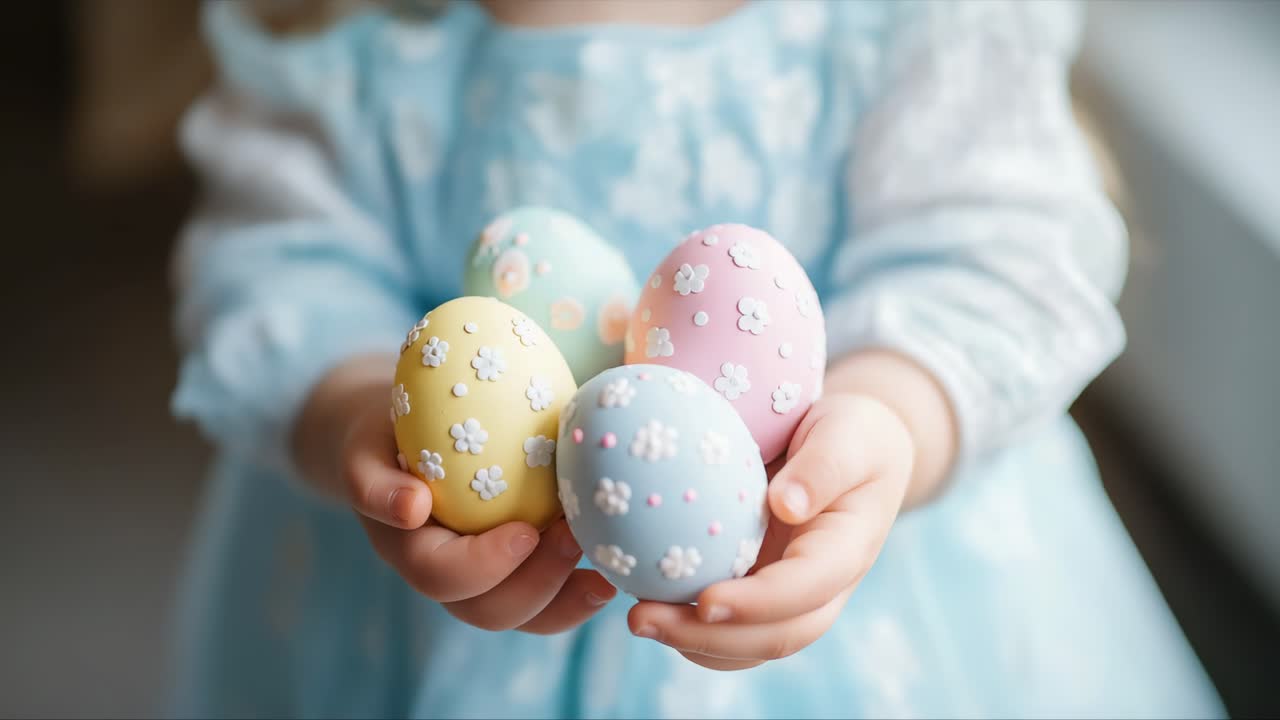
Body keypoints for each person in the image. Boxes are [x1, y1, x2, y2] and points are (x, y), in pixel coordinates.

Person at [169, 1, 1224, 716]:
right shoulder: (356, 30)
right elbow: (281, 262)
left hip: (861, 566)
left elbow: (993, 246)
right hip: (429, 594)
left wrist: (883, 420)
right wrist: (366, 417)